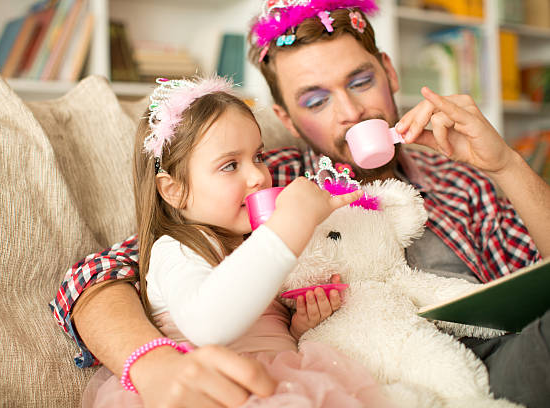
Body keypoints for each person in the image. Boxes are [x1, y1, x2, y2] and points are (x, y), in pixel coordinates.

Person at [50, 0, 550, 407]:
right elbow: (95, 277)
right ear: (287, 120)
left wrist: (505, 164)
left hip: (496, 364)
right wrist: (154, 365)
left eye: (360, 81)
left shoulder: (462, 177)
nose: (351, 112)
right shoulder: (272, 184)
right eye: (315, 101)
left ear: (390, 72)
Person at [80, 75, 390, 408]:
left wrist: (298, 328)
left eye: (258, 157)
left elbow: (259, 328)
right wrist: (290, 224)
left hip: (284, 380)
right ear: (174, 190)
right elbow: (208, 324)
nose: (259, 175)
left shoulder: (252, 241)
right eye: (230, 165)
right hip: (216, 391)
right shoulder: (178, 247)